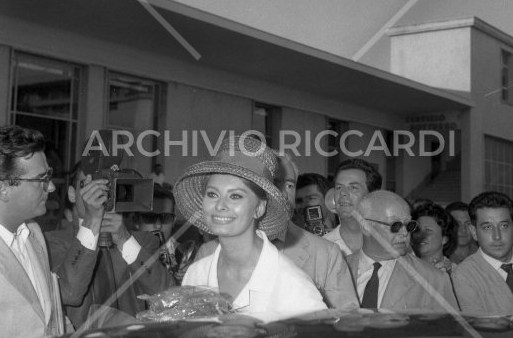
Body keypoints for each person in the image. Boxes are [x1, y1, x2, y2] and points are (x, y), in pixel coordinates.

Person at [174, 135, 327, 319]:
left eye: (235, 196)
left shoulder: (294, 287)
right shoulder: (196, 274)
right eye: (212, 194)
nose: (220, 205)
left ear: (260, 207)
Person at [193, 151, 359, 309]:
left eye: (290, 185)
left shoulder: (326, 254)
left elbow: (347, 324)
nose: (283, 195)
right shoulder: (207, 255)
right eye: (275, 183)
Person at [45, 162, 175, 329]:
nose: (100, 193)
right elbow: (69, 293)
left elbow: (167, 296)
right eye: (91, 185)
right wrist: (92, 223)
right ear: (72, 194)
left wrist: (124, 240)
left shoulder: (143, 241)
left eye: (107, 185)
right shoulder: (51, 241)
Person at [0, 126, 64, 338]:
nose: (51, 187)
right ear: (3, 190)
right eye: (41, 179)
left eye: (49, 176)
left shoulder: (34, 233)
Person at [345, 191, 458, 311]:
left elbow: (451, 328)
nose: (405, 233)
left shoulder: (433, 279)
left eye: (409, 225)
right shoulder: (337, 268)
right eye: (396, 225)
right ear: (366, 226)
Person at [452, 192, 513, 315]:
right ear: (474, 232)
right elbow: (480, 330)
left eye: (503, 226)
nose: (497, 236)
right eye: (487, 227)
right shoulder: (465, 275)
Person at [133, 186, 197, 283]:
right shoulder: (122, 254)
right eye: (150, 217)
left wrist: (195, 277)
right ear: (136, 221)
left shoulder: (192, 256)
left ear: (173, 221)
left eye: (165, 217)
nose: (158, 225)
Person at [324, 158, 382, 256]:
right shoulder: (323, 246)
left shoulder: (391, 244)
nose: (342, 192)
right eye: (338, 187)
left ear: (372, 196)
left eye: (353, 187)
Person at [411, 204, 456, 274]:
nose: (420, 235)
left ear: (444, 239)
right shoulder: (407, 270)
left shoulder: (456, 273)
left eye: (428, 230)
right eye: (417, 230)